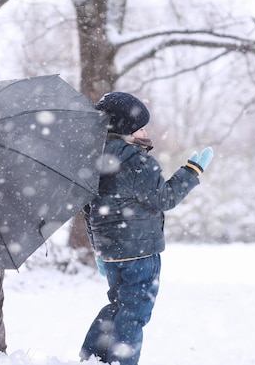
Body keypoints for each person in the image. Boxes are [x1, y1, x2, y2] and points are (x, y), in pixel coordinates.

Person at [79, 92, 213, 365]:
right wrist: (192, 171)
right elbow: (164, 198)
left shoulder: (91, 161)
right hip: (140, 252)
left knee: (117, 306)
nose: (145, 131)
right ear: (125, 130)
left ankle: (93, 357)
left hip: (111, 252)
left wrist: (98, 249)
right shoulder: (136, 161)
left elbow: (89, 209)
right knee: (134, 313)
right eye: (140, 127)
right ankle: (121, 361)